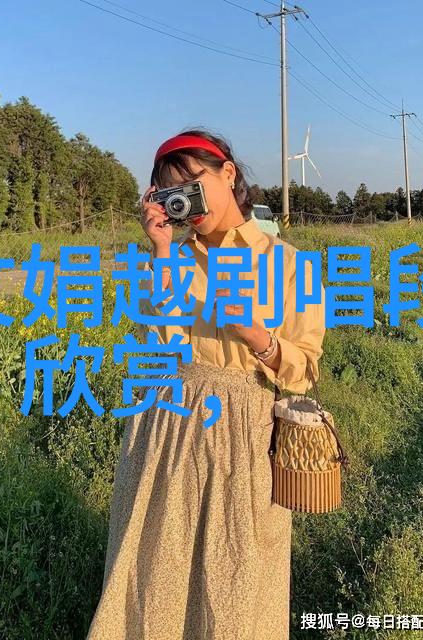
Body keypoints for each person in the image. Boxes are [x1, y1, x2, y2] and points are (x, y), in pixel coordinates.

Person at [86, 128, 326, 640]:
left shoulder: (288, 263)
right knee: (153, 578)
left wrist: (259, 338)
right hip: (165, 433)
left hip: (245, 439)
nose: (188, 203)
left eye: (193, 184)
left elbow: (305, 369)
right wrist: (160, 250)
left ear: (228, 174)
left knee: (236, 586)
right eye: (173, 192)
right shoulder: (170, 259)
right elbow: (157, 348)